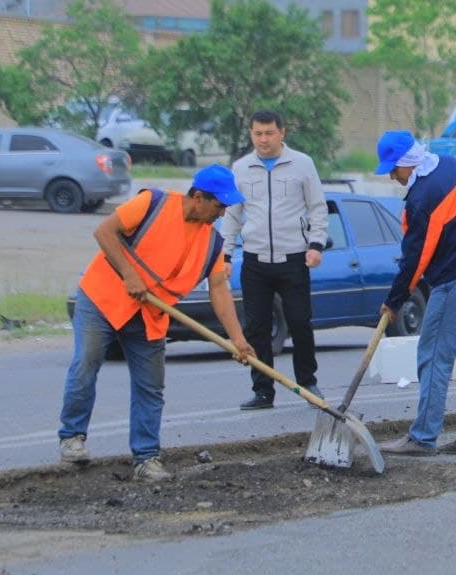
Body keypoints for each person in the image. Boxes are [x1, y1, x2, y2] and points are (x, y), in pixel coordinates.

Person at [57, 165, 253, 481]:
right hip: (103, 300)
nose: (223, 213)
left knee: (151, 387)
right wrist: (130, 273)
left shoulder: (212, 243)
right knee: (86, 364)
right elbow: (104, 232)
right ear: (199, 198)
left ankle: (146, 459)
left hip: (149, 314)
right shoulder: (153, 204)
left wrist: (237, 339)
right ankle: (72, 437)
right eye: (219, 206)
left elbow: (218, 288)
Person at [373, 130, 456, 456]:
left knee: (433, 356)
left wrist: (394, 301)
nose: (391, 175)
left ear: (406, 162)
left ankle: (423, 437)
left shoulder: (422, 197)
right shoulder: (450, 166)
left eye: (393, 168)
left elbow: (416, 257)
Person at [221, 110, 330, 410]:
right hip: (255, 260)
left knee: (299, 322)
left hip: (293, 258)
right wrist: (226, 253)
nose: (263, 139)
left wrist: (316, 244)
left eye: (269, 133)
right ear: (251, 134)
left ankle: (308, 384)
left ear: (282, 132)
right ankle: (262, 390)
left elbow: (317, 207)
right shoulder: (241, 168)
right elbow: (232, 215)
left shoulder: (302, 164)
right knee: (256, 327)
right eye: (258, 133)